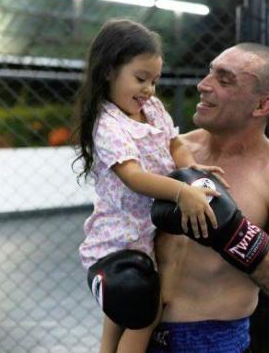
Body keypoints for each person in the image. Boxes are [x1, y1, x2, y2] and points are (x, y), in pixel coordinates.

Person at [149, 43, 269, 353]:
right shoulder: (167, 150)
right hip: (135, 331)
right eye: (209, 72)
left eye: (224, 79)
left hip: (210, 341)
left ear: (262, 105)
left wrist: (236, 235)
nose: (203, 85)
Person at [73, 19, 227, 353]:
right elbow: (133, 176)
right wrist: (182, 191)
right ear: (108, 71)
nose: (149, 90)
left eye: (154, 81)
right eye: (140, 79)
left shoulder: (152, 109)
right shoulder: (108, 124)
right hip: (119, 237)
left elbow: (175, 144)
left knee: (123, 312)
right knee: (144, 315)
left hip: (147, 232)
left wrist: (190, 169)